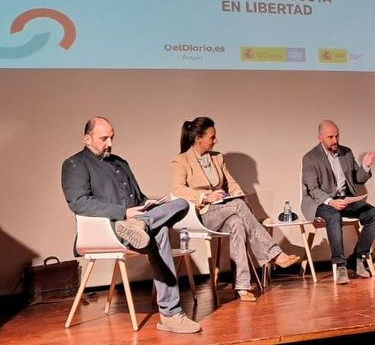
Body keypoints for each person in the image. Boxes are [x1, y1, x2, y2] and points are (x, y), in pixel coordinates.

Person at [61, 117, 200, 334]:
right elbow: (79, 203)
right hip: (109, 230)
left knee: (180, 203)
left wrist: (147, 205)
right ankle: (171, 314)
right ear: (86, 138)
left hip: (135, 227)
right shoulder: (75, 164)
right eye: (104, 138)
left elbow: (138, 197)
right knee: (161, 231)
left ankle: (141, 224)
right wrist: (123, 213)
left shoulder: (120, 162)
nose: (110, 143)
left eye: (112, 138)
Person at [171, 117, 301, 301]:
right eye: (212, 137)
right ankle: (274, 254)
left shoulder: (217, 158)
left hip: (223, 212)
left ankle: (242, 286)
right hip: (201, 215)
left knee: (237, 222)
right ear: (198, 138)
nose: (216, 140)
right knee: (239, 207)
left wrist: (236, 191)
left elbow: (229, 182)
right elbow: (178, 189)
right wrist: (205, 196)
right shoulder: (181, 160)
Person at [301, 120, 375, 284]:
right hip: (321, 202)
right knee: (333, 216)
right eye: (330, 137)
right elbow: (313, 189)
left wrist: (365, 167)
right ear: (320, 138)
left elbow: (357, 179)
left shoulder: (346, 152)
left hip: (345, 198)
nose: (335, 140)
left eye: (337, 136)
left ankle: (358, 257)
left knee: (374, 215)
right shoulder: (310, 158)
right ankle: (340, 265)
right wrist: (331, 202)